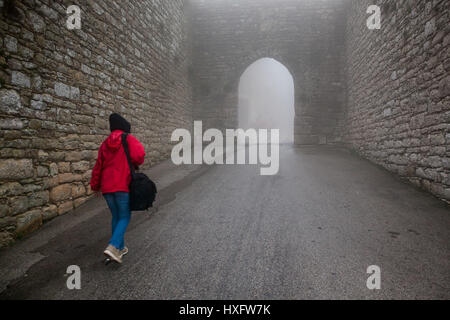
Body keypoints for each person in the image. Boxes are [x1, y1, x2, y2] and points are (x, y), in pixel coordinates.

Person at [90, 113, 146, 263]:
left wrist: (95, 186)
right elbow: (140, 155)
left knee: (116, 216)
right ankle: (113, 246)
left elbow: (98, 167)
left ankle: (120, 248)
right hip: (122, 185)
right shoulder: (128, 139)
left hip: (107, 189)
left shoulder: (104, 144)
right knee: (125, 216)